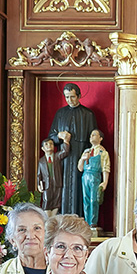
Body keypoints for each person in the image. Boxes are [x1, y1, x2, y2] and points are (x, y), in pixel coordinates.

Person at [47, 83, 99, 216]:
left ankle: (80, 217)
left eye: (72, 97)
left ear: (79, 96)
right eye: (67, 97)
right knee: (63, 188)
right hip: (63, 159)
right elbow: (50, 137)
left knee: (79, 189)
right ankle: (62, 217)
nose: (70, 100)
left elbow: (93, 138)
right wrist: (59, 135)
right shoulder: (60, 113)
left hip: (80, 157)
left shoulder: (88, 114)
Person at [78, 130, 111, 228]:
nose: (91, 136)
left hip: (95, 177)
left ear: (100, 138)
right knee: (86, 200)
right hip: (85, 177)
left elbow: (105, 168)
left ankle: (93, 221)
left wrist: (105, 182)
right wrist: (83, 159)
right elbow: (80, 168)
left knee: (94, 200)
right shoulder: (86, 151)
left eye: (94, 135)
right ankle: (87, 223)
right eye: (91, 135)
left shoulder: (103, 153)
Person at [38, 138, 65, 215]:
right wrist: (39, 185)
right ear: (43, 148)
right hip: (46, 185)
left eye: (51, 144)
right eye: (46, 144)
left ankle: (53, 216)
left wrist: (66, 141)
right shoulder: (41, 161)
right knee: (47, 200)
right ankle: (47, 217)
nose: (49, 146)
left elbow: (65, 151)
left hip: (57, 183)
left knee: (57, 200)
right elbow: (39, 174)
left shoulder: (57, 157)